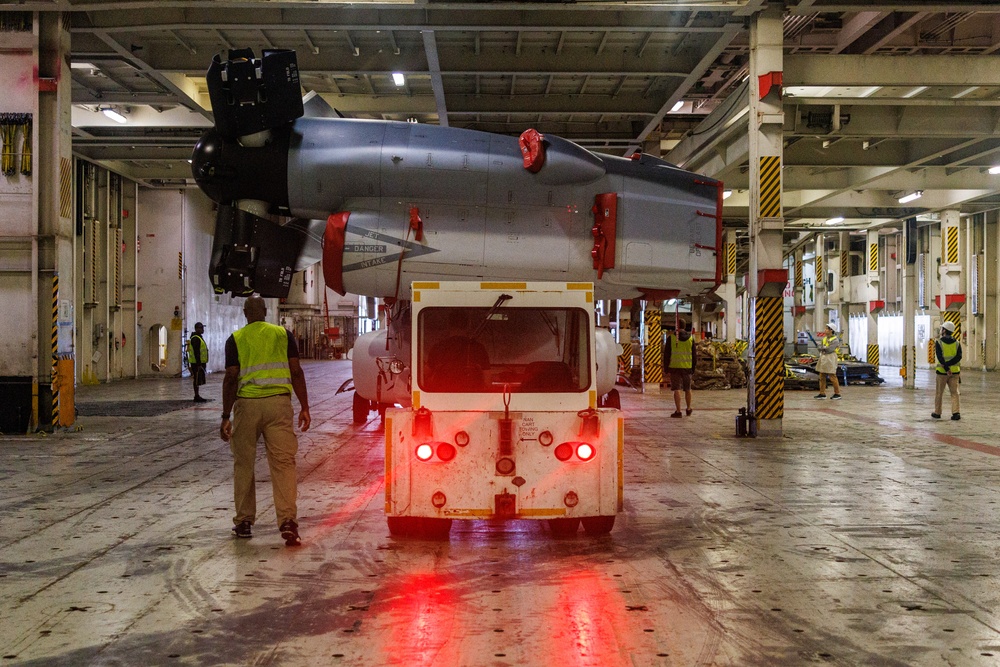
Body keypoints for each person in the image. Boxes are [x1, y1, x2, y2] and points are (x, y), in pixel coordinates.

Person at [220, 296, 311, 546]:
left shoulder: (236, 339)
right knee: (283, 463)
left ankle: (245, 522)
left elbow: (231, 377)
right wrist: (304, 406)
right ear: (265, 312)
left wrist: (225, 415)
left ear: (245, 313)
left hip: (247, 406)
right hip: (279, 406)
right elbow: (295, 370)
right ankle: (288, 521)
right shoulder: (284, 335)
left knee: (244, 464)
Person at [664, 319, 697, 418]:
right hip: (687, 368)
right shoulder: (691, 338)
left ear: (676, 326)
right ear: (684, 326)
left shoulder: (671, 338)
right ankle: (688, 408)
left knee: (676, 389)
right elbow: (694, 355)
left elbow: (666, 355)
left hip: (674, 367)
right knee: (688, 389)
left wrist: (666, 368)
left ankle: (678, 411)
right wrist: (693, 368)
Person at [932, 320, 962, 421]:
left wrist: (946, 368)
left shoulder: (939, 342)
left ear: (944, 330)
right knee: (954, 393)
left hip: (942, 372)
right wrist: (950, 367)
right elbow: (959, 357)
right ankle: (956, 413)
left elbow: (940, 357)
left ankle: (937, 412)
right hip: (955, 372)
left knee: (939, 393)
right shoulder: (957, 343)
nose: (941, 330)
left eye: (942, 328)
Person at [815, 324, 842, 400]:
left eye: (827, 329)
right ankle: (822, 393)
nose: (825, 330)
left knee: (832, 376)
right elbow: (820, 348)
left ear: (831, 330)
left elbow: (830, 349)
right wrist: (822, 348)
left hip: (830, 358)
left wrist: (822, 348)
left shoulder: (835, 340)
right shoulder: (824, 339)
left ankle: (837, 393)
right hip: (823, 357)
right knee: (822, 375)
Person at [188, 322, 209, 402]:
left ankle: (197, 395)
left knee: (198, 379)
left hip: (199, 363)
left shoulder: (198, 337)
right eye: (201, 328)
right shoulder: (196, 338)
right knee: (196, 379)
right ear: (197, 328)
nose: (203, 329)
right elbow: (197, 352)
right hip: (196, 363)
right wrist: (199, 364)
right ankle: (196, 396)